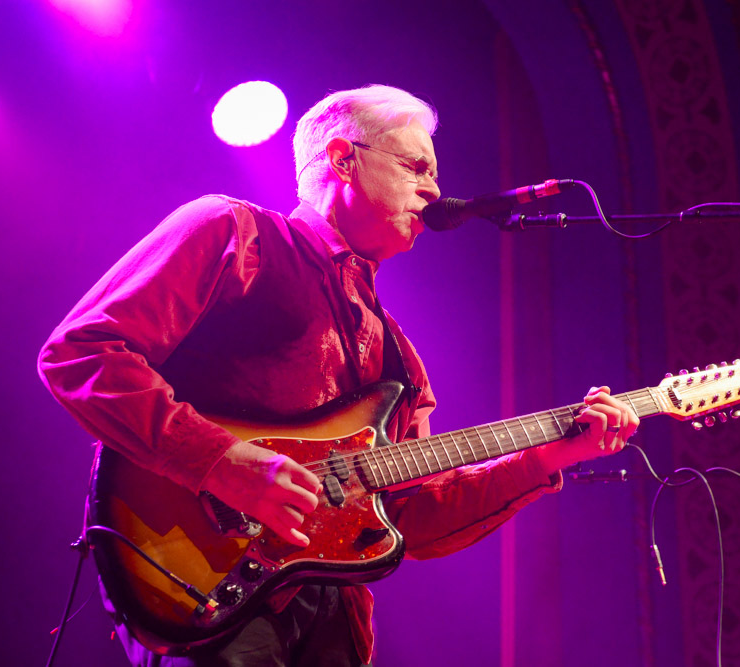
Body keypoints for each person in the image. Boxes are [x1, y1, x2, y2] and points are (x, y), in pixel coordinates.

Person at [38, 84, 639, 667]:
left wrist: (549, 457)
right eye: (416, 167)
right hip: (203, 584)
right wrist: (219, 461)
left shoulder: (399, 355)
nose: (435, 190)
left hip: (337, 622)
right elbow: (82, 353)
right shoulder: (232, 233)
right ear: (343, 159)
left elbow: (411, 518)